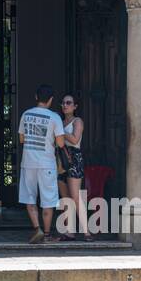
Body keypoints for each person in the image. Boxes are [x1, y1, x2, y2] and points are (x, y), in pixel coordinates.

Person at [17, 83, 66, 243]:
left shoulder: (26, 114)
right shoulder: (55, 117)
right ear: (51, 100)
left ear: (36, 97)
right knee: (48, 200)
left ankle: (36, 228)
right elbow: (60, 143)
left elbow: (22, 139)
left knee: (30, 198)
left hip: (28, 162)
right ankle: (46, 234)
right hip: (47, 164)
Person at [54, 92, 91, 241]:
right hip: (60, 160)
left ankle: (87, 231)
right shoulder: (60, 122)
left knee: (75, 196)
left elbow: (75, 140)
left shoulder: (77, 121)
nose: (65, 105)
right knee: (65, 198)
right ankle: (70, 231)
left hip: (74, 158)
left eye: (68, 103)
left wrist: (59, 131)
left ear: (75, 106)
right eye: (63, 103)